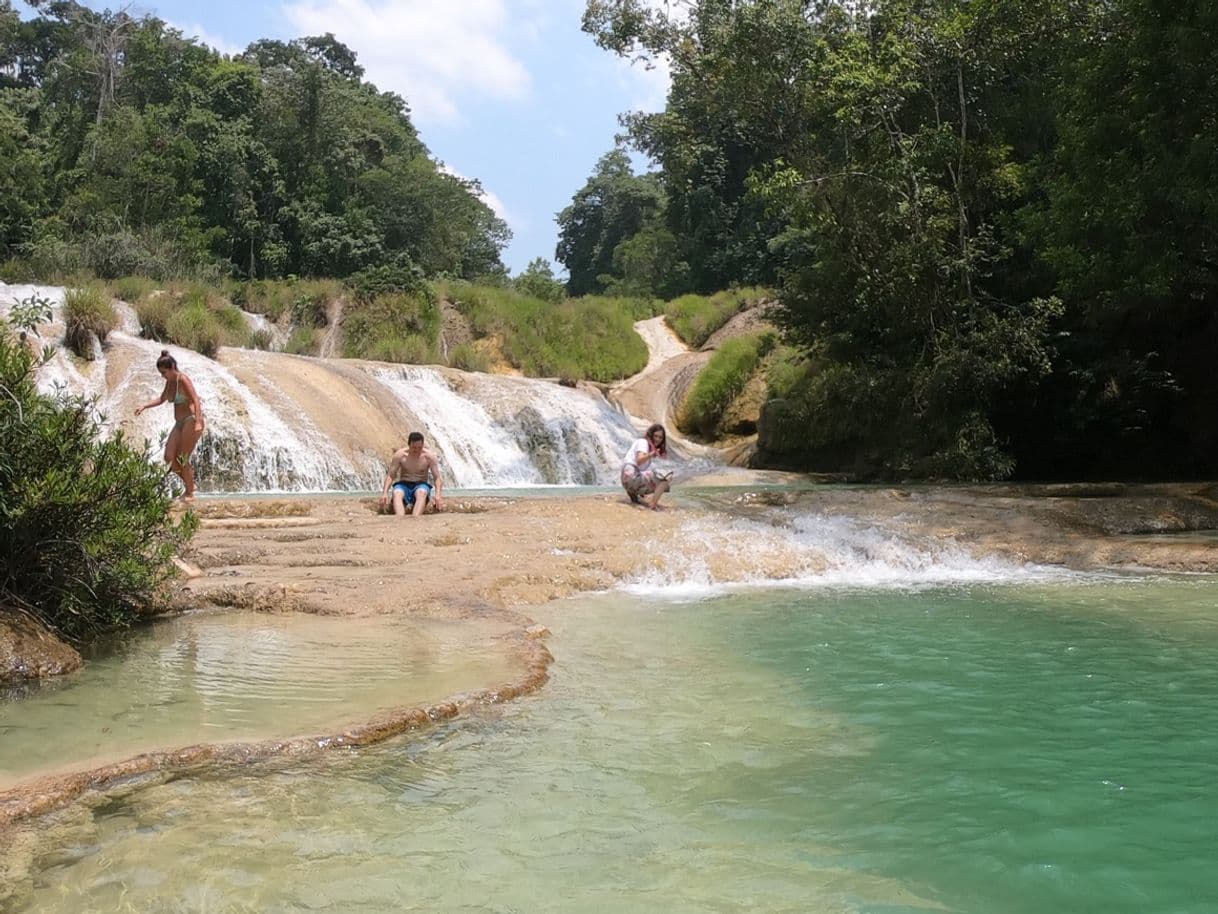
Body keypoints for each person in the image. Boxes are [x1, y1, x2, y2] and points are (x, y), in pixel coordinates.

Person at [135, 350, 205, 501]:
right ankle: (191, 484)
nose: (162, 376)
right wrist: (144, 406)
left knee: (182, 457)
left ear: (172, 367)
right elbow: (161, 399)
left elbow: (196, 399)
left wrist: (198, 421)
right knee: (169, 457)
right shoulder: (169, 383)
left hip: (190, 420)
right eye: (161, 373)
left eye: (164, 372)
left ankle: (189, 493)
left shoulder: (183, 379)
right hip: (179, 423)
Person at [380, 431, 446, 517]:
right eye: (414, 447)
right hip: (403, 484)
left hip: (421, 484)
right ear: (409, 444)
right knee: (397, 492)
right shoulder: (400, 455)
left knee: (421, 492)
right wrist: (384, 493)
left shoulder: (429, 456)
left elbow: (437, 477)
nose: (417, 450)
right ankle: (399, 519)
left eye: (420, 447)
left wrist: (438, 495)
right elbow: (390, 475)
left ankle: (416, 519)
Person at [621, 423, 672, 510]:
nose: (658, 439)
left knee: (648, 477)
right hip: (631, 477)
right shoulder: (643, 442)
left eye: (660, 437)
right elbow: (639, 460)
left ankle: (635, 497)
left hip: (626, 480)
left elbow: (637, 466)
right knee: (667, 477)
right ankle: (653, 504)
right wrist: (651, 454)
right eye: (655, 436)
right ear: (650, 434)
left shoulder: (645, 446)